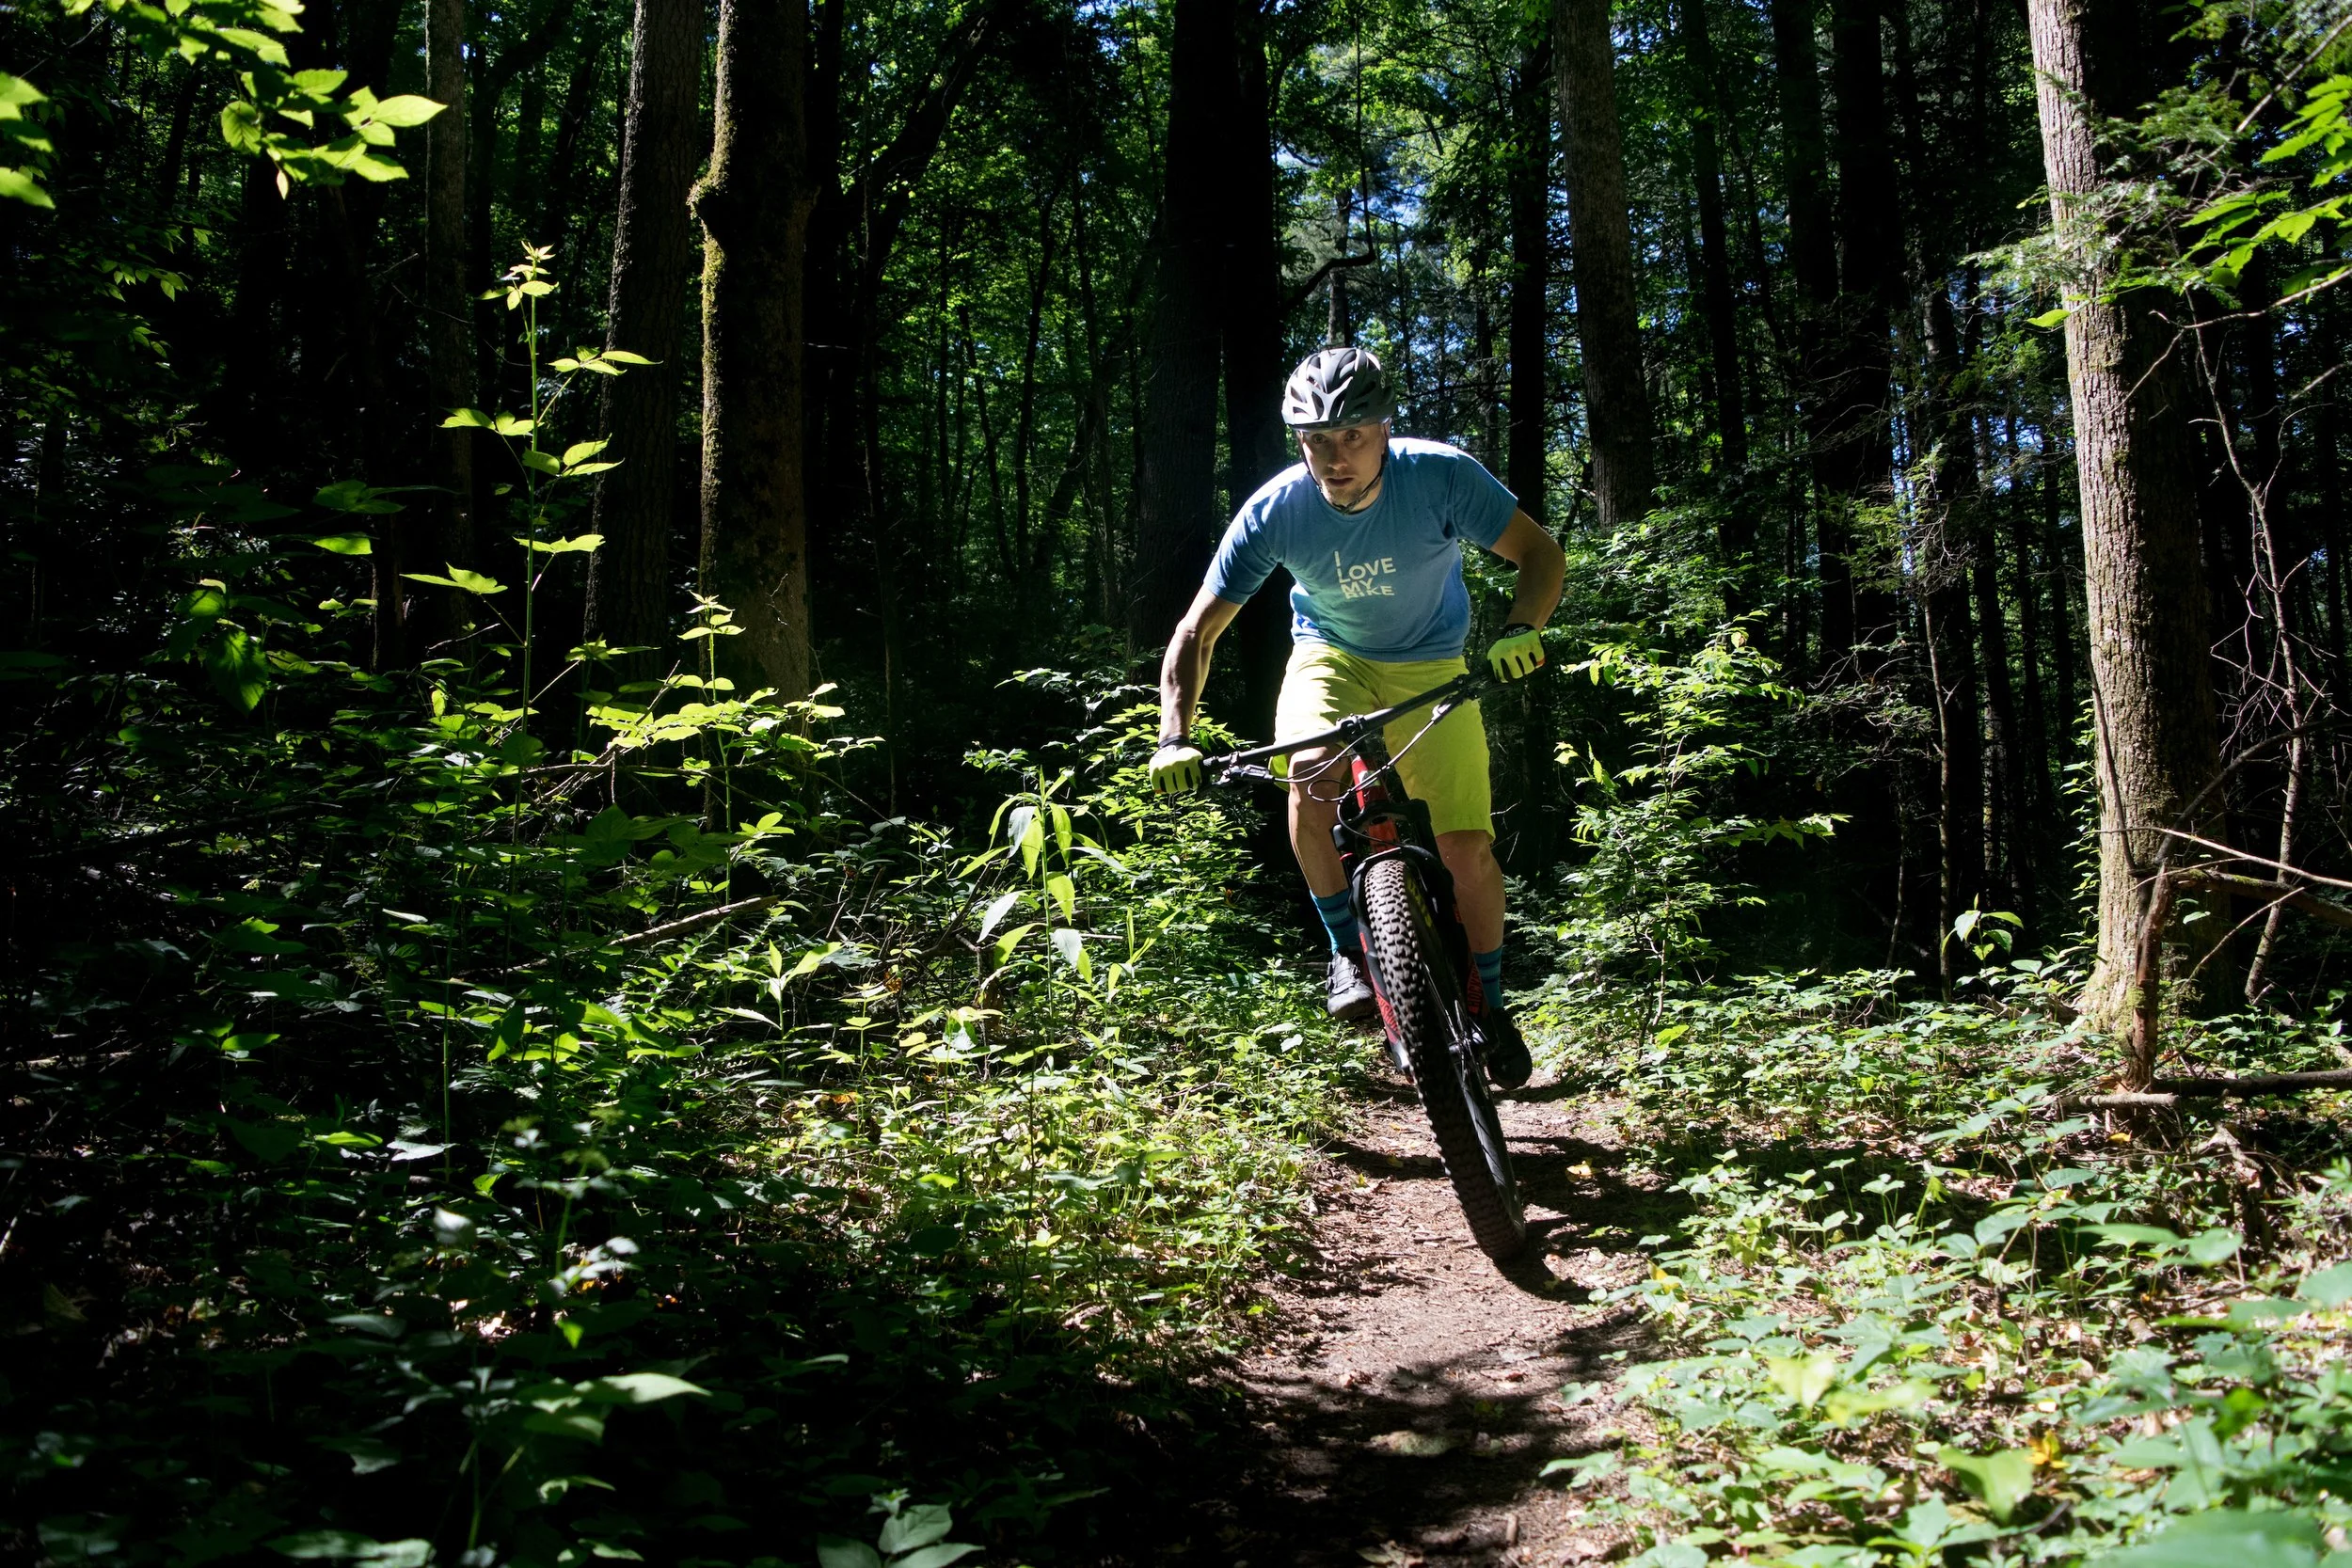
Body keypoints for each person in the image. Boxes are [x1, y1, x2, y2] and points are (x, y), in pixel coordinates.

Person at [1147, 347, 1565, 1090]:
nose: (1334, 457)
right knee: (1308, 774)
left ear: (1384, 428)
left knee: (1468, 850)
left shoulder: (1440, 475)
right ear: (1297, 440)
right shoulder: (1277, 510)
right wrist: (1173, 737)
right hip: (1329, 657)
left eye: (1352, 436)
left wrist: (1523, 625)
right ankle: (1346, 948)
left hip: (1433, 664)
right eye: (1315, 439)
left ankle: (1494, 1005)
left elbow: (1539, 554)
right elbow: (1195, 634)